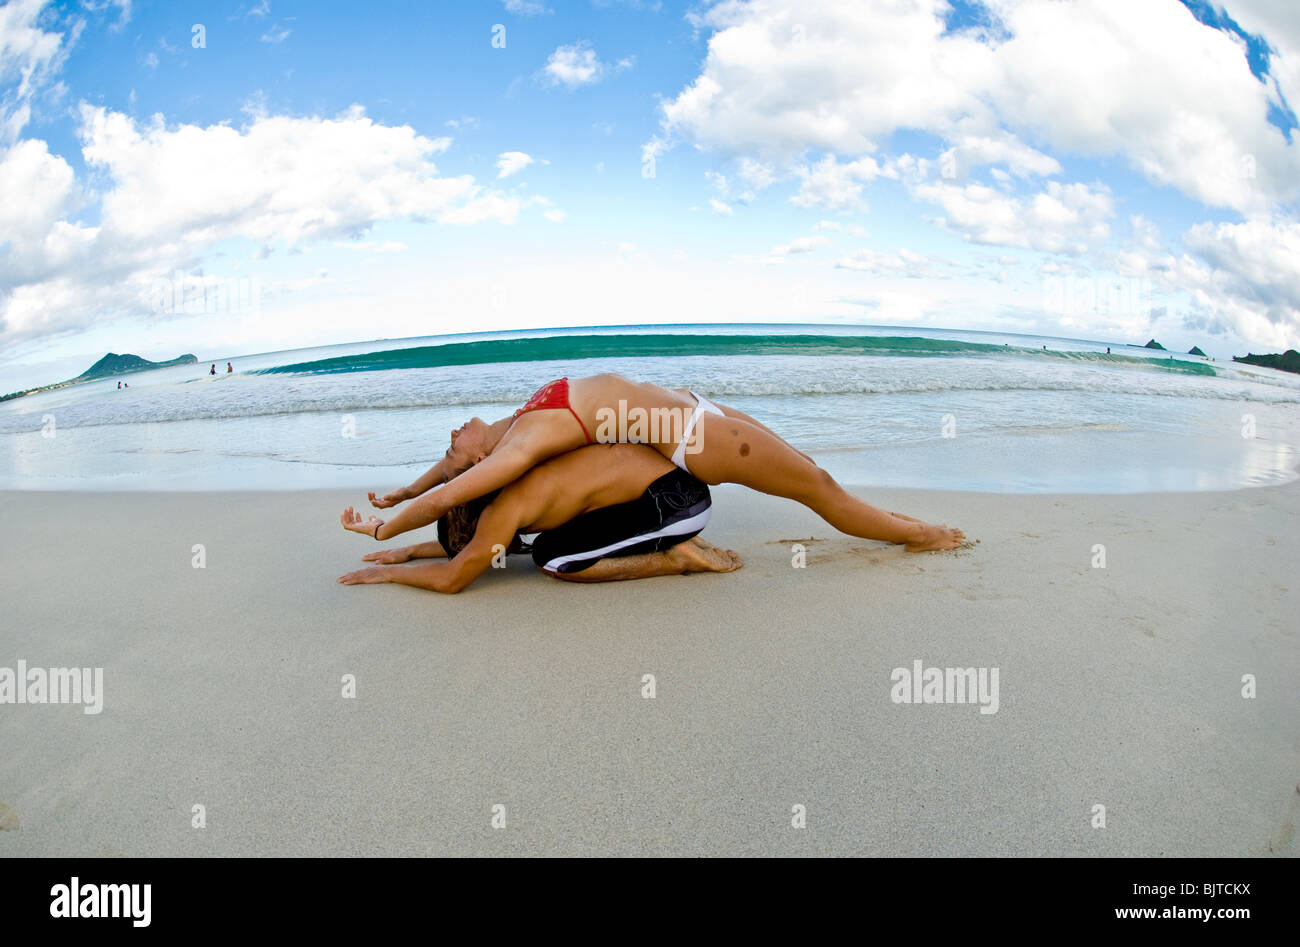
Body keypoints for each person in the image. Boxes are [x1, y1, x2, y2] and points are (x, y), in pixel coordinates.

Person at [350, 373, 964, 552]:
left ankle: (890, 518)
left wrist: (400, 489)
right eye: (457, 446)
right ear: (481, 462)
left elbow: (443, 477)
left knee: (806, 466)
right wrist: (388, 526)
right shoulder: (517, 448)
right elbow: (448, 495)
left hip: (691, 406)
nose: (453, 435)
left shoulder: (511, 426)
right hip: (692, 440)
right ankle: (919, 536)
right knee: (817, 486)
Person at [339, 443, 741, 593]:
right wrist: (409, 549)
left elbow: (453, 577)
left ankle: (675, 558)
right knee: (558, 536)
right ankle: (674, 541)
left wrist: (390, 574)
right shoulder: (504, 455)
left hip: (675, 508)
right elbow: (484, 543)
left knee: (552, 558)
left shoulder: (503, 511)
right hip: (678, 488)